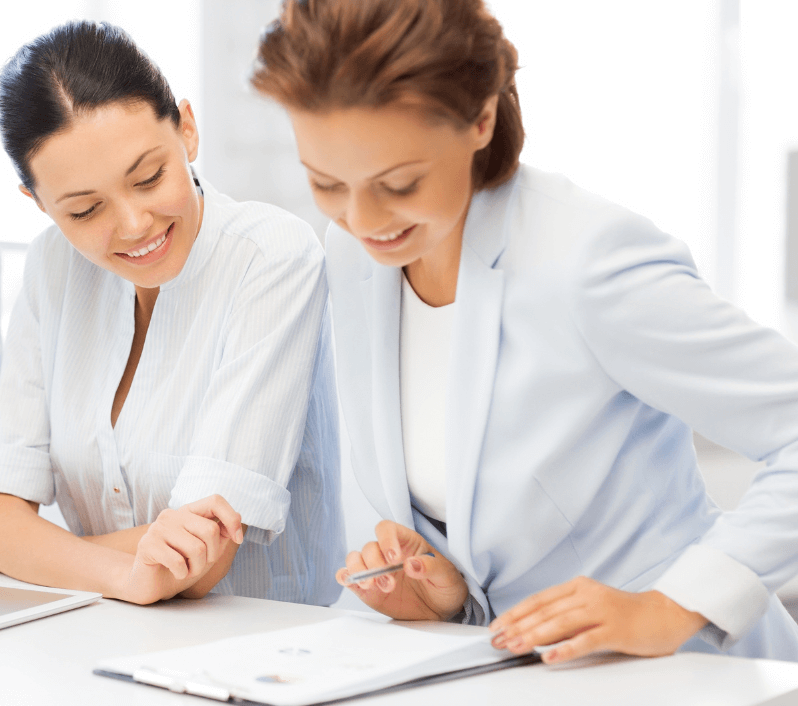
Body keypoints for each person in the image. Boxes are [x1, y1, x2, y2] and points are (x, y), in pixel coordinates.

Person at [252, 0, 798, 662]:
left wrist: (672, 606)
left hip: (688, 673)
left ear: (481, 119)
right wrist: (448, 596)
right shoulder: (356, 254)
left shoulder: (585, 260)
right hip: (523, 675)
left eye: (400, 183)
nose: (362, 217)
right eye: (327, 183)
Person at [0, 20, 344, 606]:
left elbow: (199, 559)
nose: (135, 225)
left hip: (262, 645)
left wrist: (43, 553)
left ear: (186, 129)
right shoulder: (52, 266)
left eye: (149, 177)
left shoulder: (270, 257)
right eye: (84, 210)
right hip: (96, 633)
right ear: (37, 202)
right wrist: (123, 575)